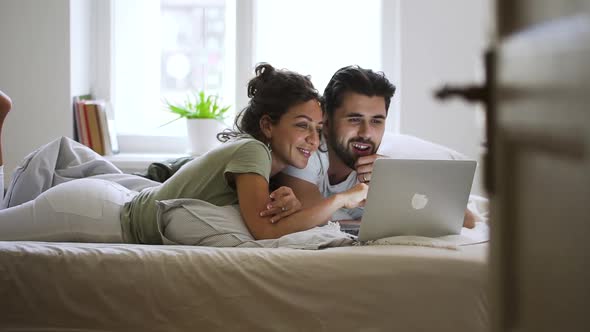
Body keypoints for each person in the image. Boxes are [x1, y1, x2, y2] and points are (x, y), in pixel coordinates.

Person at [0, 64, 368, 244]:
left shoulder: (263, 162)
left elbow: (262, 215)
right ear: (269, 125)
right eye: (302, 125)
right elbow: (263, 230)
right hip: (97, 214)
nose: (311, 138)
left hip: (111, 204)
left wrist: (285, 199)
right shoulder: (254, 152)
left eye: (317, 130)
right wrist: (343, 199)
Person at [272, 65, 476, 229]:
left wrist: (399, 178)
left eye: (377, 121)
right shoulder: (306, 153)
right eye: (354, 119)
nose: (366, 133)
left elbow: (467, 220)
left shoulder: (382, 166)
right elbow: (312, 221)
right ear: (327, 121)